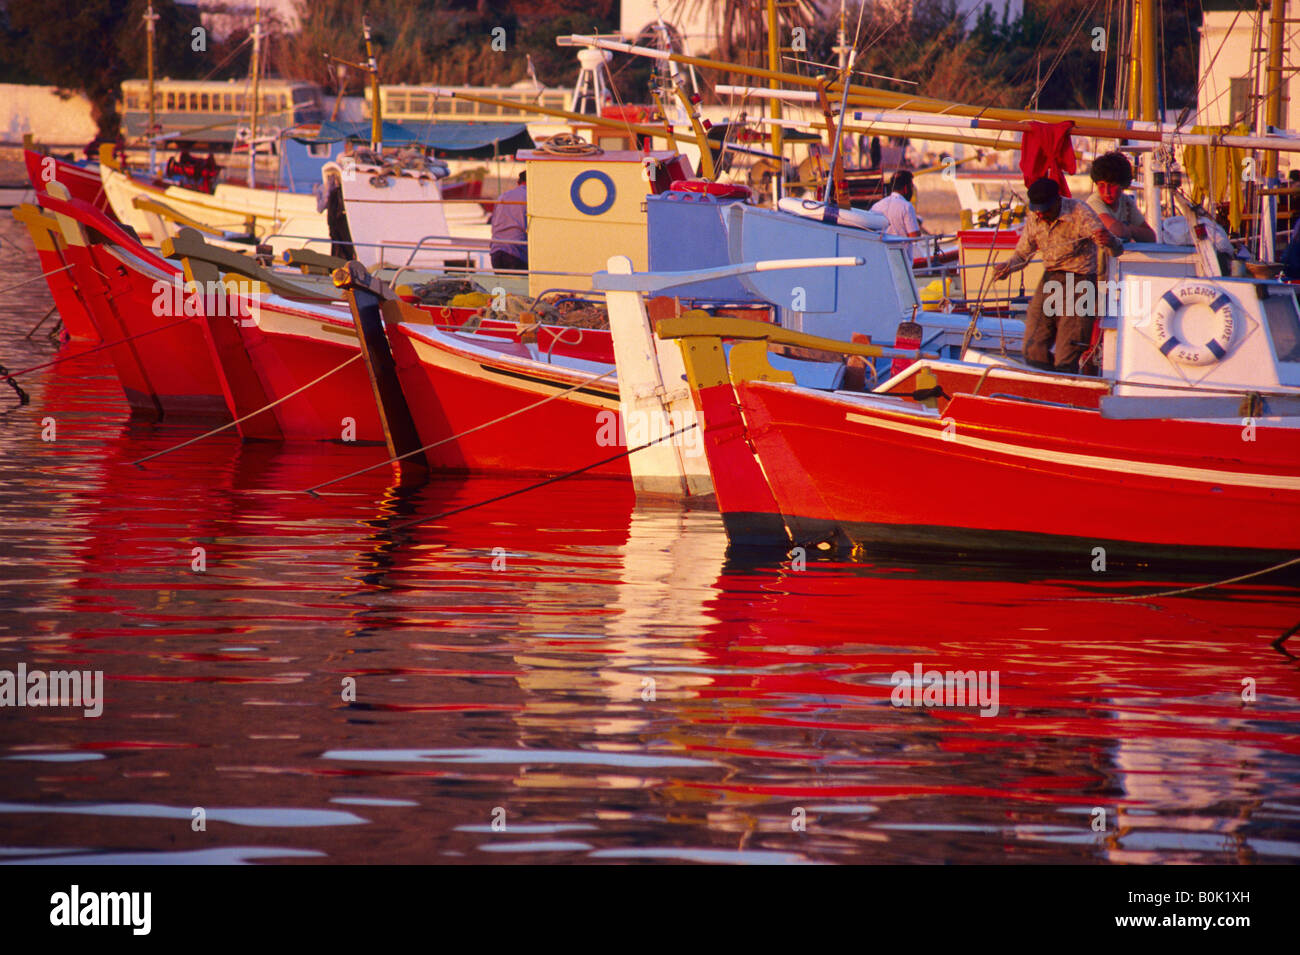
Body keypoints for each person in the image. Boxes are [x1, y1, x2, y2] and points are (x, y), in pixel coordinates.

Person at [993, 177, 1123, 375]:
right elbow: (1022, 255)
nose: (1041, 214)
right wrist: (1006, 267)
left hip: (1080, 283)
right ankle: (1044, 383)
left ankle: (1065, 384)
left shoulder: (1079, 211)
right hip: (1051, 280)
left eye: (1045, 209)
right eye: (1038, 210)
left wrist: (1110, 240)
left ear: (1057, 201)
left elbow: (1115, 248)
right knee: (1032, 346)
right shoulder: (1036, 217)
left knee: (1067, 353)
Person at [1087, 151, 1157, 243]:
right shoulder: (1094, 202)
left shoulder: (1126, 201)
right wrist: (1131, 229)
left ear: (1122, 185)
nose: (1106, 191)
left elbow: (1151, 237)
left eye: (1112, 185)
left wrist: (1129, 229)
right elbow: (1116, 231)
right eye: (1101, 185)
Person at [871, 170, 923, 261]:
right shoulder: (906, 206)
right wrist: (918, 229)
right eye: (911, 187)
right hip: (901, 260)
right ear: (906, 188)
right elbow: (914, 236)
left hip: (881, 258)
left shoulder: (876, 206)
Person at [490, 171, 528, 272]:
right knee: (519, 287)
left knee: (501, 286)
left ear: (518, 182)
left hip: (496, 250)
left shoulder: (503, 196)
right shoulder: (531, 197)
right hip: (517, 252)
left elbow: (494, 222)